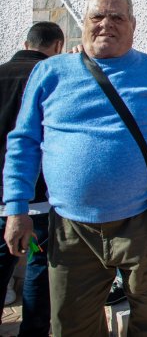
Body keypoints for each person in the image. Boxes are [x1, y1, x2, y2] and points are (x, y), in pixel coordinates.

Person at [2, 0, 147, 336]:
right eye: (97, 16)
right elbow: (24, 142)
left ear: (133, 25)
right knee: (72, 324)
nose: (106, 24)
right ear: (83, 23)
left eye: (117, 17)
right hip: (70, 227)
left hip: (142, 221)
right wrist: (16, 208)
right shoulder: (50, 73)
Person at [0, 22, 63, 334]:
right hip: (39, 201)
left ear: (25, 43)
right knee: (40, 267)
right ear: (58, 47)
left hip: (3, 200)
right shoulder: (52, 80)